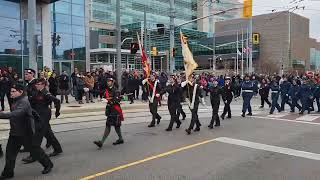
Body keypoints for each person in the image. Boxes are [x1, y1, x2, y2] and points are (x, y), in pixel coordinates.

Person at [0, 84, 53, 179]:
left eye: (13, 91)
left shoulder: (24, 101)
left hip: (26, 133)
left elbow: (16, 114)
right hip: (15, 132)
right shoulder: (16, 100)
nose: (11, 93)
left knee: (35, 151)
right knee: (10, 154)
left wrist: (1, 115)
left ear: (20, 92)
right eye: (11, 91)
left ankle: (48, 164)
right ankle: (8, 173)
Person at [22, 78, 62, 164]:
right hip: (37, 114)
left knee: (37, 135)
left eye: (38, 84)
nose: (36, 85)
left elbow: (57, 101)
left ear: (43, 85)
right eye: (36, 84)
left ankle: (33, 155)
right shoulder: (36, 92)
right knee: (48, 133)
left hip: (43, 115)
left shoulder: (46, 93)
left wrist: (57, 112)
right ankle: (57, 148)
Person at [94, 78, 124, 148]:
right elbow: (99, 92)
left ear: (112, 82)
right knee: (110, 125)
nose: (108, 83)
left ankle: (119, 139)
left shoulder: (116, 90)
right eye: (107, 81)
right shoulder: (107, 90)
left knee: (115, 126)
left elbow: (117, 100)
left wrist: (109, 101)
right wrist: (89, 90)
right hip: (110, 110)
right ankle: (102, 142)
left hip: (115, 110)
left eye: (109, 81)